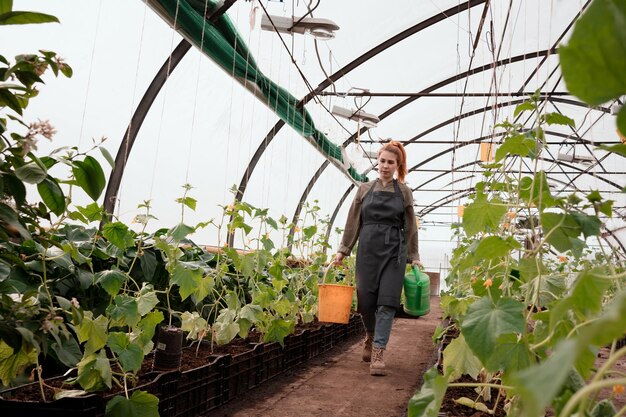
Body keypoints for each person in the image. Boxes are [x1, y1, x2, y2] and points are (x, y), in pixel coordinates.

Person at [333, 140, 420, 376]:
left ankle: (379, 351)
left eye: (390, 162)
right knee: (366, 301)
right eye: (382, 161)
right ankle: (370, 336)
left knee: (387, 301)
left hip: (394, 252)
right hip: (368, 250)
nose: (385, 166)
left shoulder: (404, 192)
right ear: (377, 162)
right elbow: (353, 222)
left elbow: (411, 227)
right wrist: (343, 250)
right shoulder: (364, 190)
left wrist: (414, 255)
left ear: (397, 165)